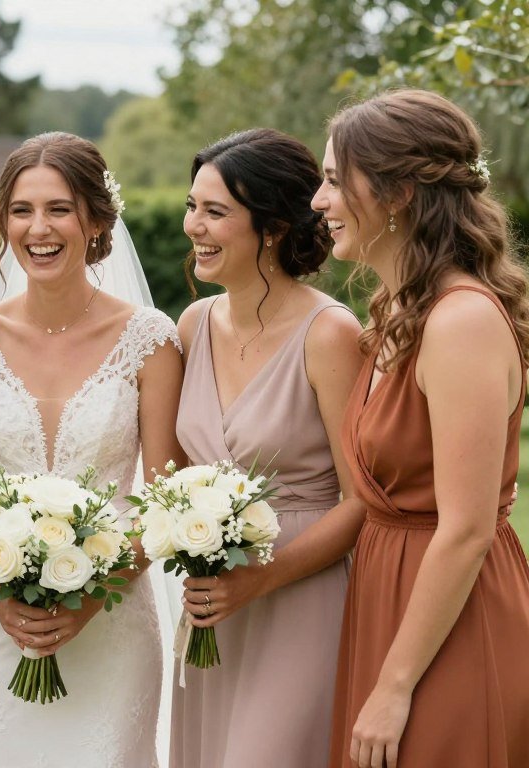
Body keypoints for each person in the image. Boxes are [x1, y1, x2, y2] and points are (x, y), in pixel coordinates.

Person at [0, 131, 185, 766]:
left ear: (96, 219)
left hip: (113, 623)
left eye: (59, 209)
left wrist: (88, 599)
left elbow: (162, 501)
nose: (38, 228)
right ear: (4, 222)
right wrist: (0, 599)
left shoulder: (150, 340)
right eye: (22, 210)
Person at [313, 89, 529, 768]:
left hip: (452, 622)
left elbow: (465, 529)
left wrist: (395, 683)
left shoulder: (460, 322)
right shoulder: (396, 312)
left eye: (331, 181)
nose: (318, 203)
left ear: (398, 192)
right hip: (389, 601)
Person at [170, 128, 366, 767]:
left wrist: (263, 576)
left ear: (274, 226)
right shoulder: (193, 325)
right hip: (210, 608)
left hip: (298, 598)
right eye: (193, 205)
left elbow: (362, 500)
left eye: (215, 212)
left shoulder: (329, 333)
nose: (192, 225)